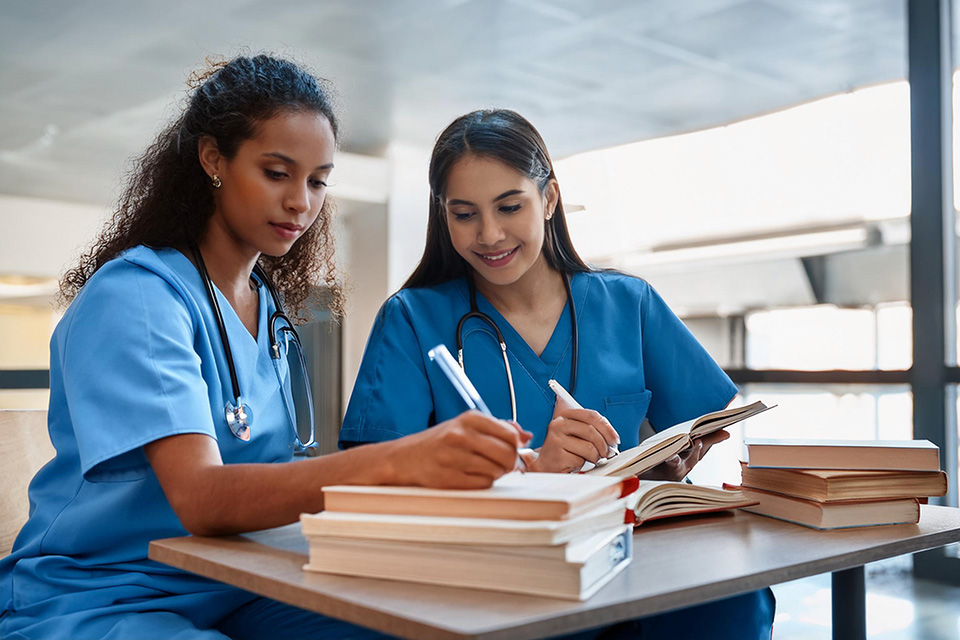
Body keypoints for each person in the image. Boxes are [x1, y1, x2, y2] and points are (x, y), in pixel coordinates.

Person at [0, 56, 530, 640]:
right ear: (212, 159)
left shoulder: (269, 313)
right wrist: (398, 460)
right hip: (108, 594)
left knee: (424, 624)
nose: (301, 202)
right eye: (277, 173)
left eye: (318, 180)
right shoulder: (138, 298)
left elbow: (279, 477)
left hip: (242, 583)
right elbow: (203, 498)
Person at [340, 109, 775, 639]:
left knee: (733, 602)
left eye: (509, 206)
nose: (490, 234)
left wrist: (668, 468)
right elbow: (369, 487)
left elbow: (709, 428)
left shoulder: (628, 304)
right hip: (499, 574)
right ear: (444, 216)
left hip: (634, 559)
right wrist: (531, 476)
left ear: (548, 198)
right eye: (464, 214)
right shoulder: (412, 320)